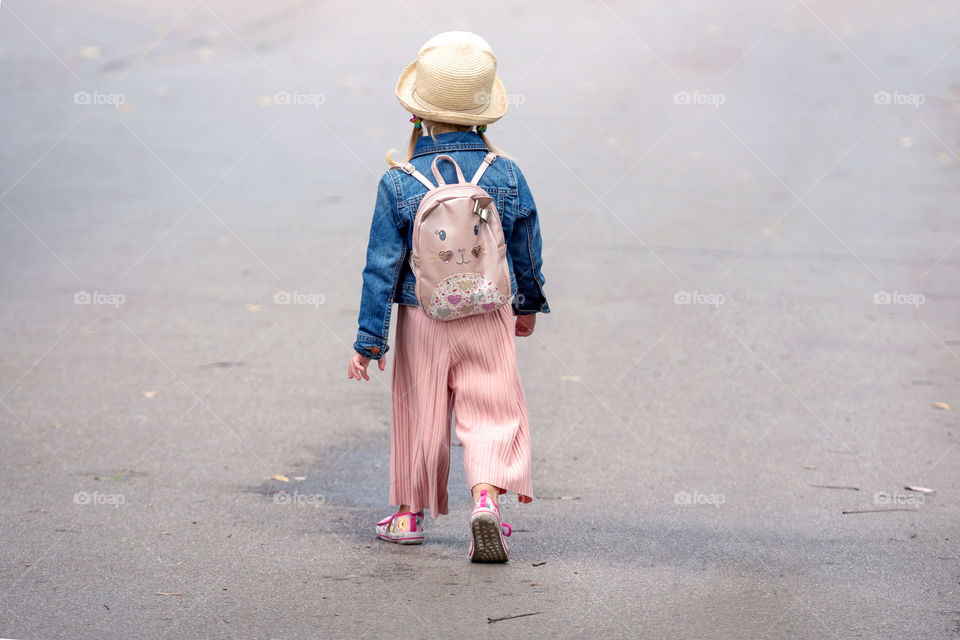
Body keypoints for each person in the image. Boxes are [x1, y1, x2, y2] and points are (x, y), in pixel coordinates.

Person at [347, 31, 549, 563]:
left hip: (424, 315)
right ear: (485, 117)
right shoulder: (505, 174)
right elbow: (525, 249)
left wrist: (370, 340)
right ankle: (485, 502)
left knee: (420, 410)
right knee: (492, 408)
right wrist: (525, 306)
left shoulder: (399, 180)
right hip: (488, 311)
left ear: (418, 117)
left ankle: (409, 516)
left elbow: (381, 267)